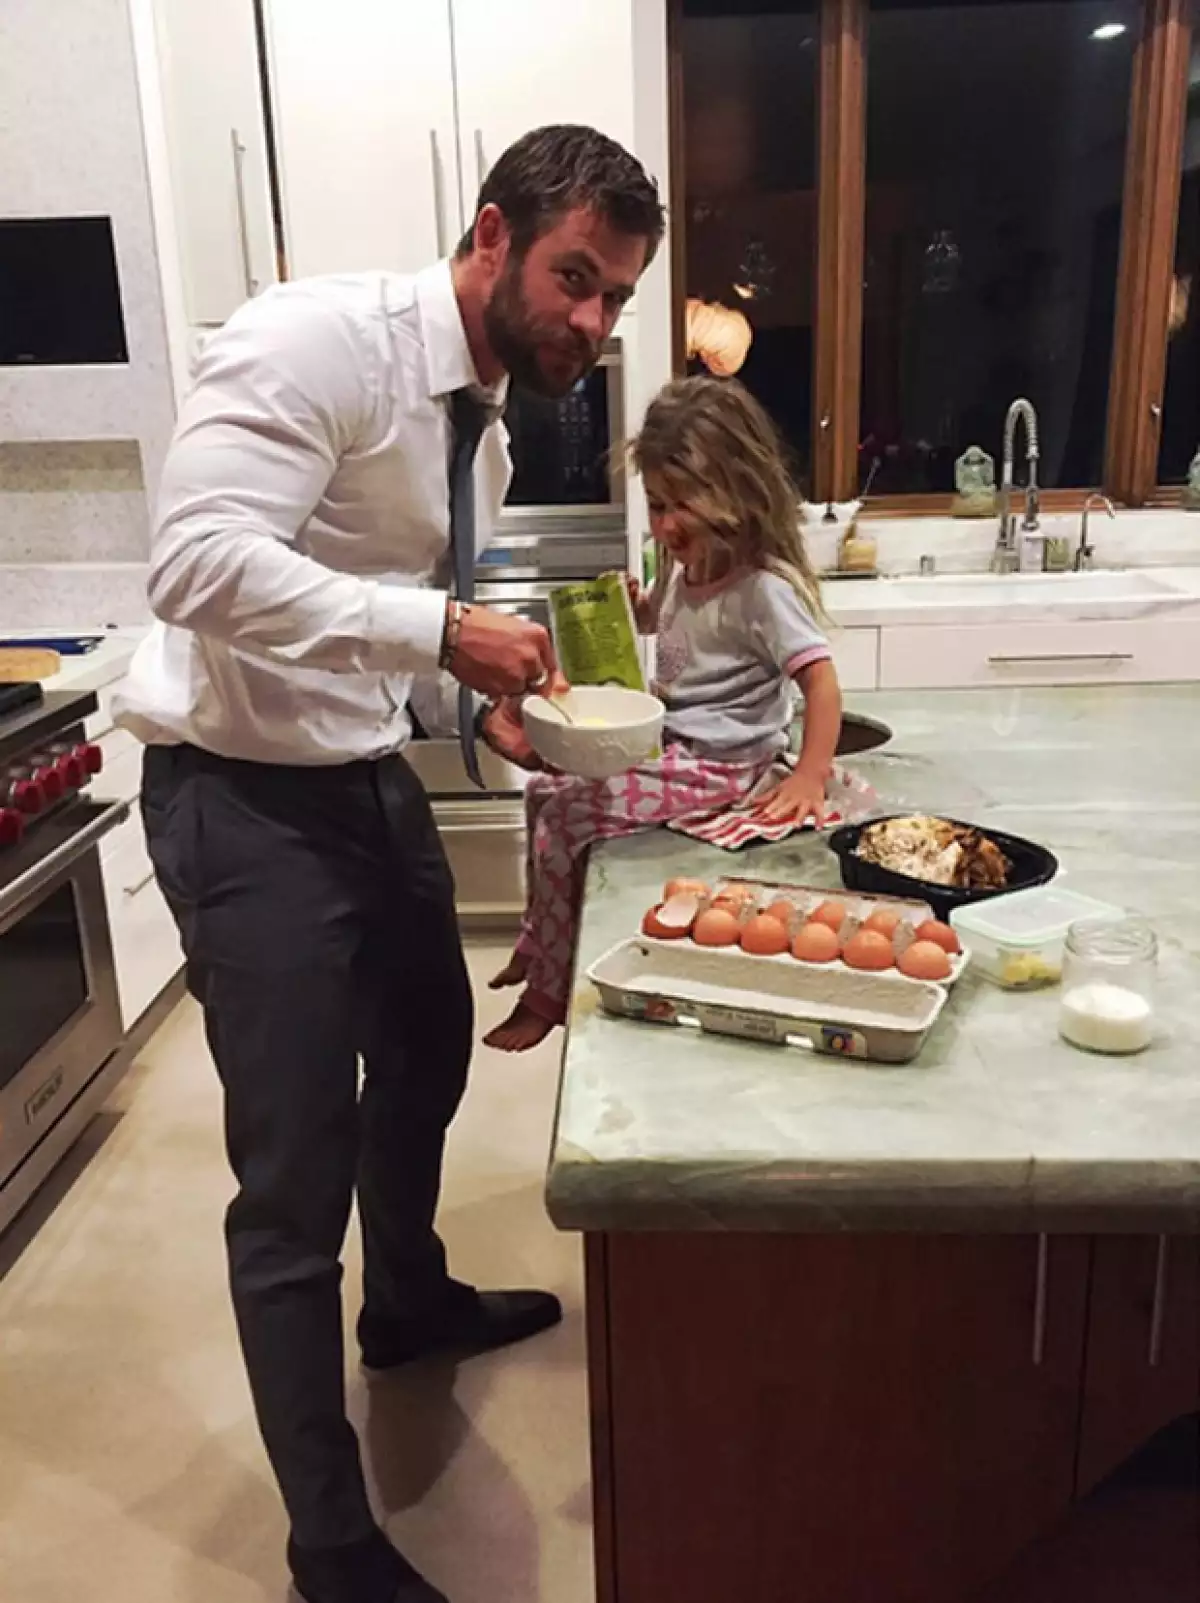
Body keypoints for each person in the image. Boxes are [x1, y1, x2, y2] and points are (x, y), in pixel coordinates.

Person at [113, 125, 664, 1603]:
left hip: (359, 775)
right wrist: (438, 635)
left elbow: (361, 619)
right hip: (238, 801)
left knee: (426, 1052)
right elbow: (195, 563)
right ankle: (328, 1542)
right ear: (491, 236)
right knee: (289, 1185)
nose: (591, 323)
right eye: (575, 280)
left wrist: (466, 700)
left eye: (613, 297)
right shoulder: (320, 343)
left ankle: (406, 1300)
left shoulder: (470, 416)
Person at [485, 374, 843, 1053]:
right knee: (539, 791)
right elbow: (671, 626)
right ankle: (539, 941)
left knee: (565, 814)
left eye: (683, 504)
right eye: (657, 504)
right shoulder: (685, 567)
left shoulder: (763, 590)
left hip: (722, 765)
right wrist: (636, 608)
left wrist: (810, 776)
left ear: (735, 493)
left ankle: (549, 991)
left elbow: (822, 684)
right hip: (671, 742)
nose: (666, 523)